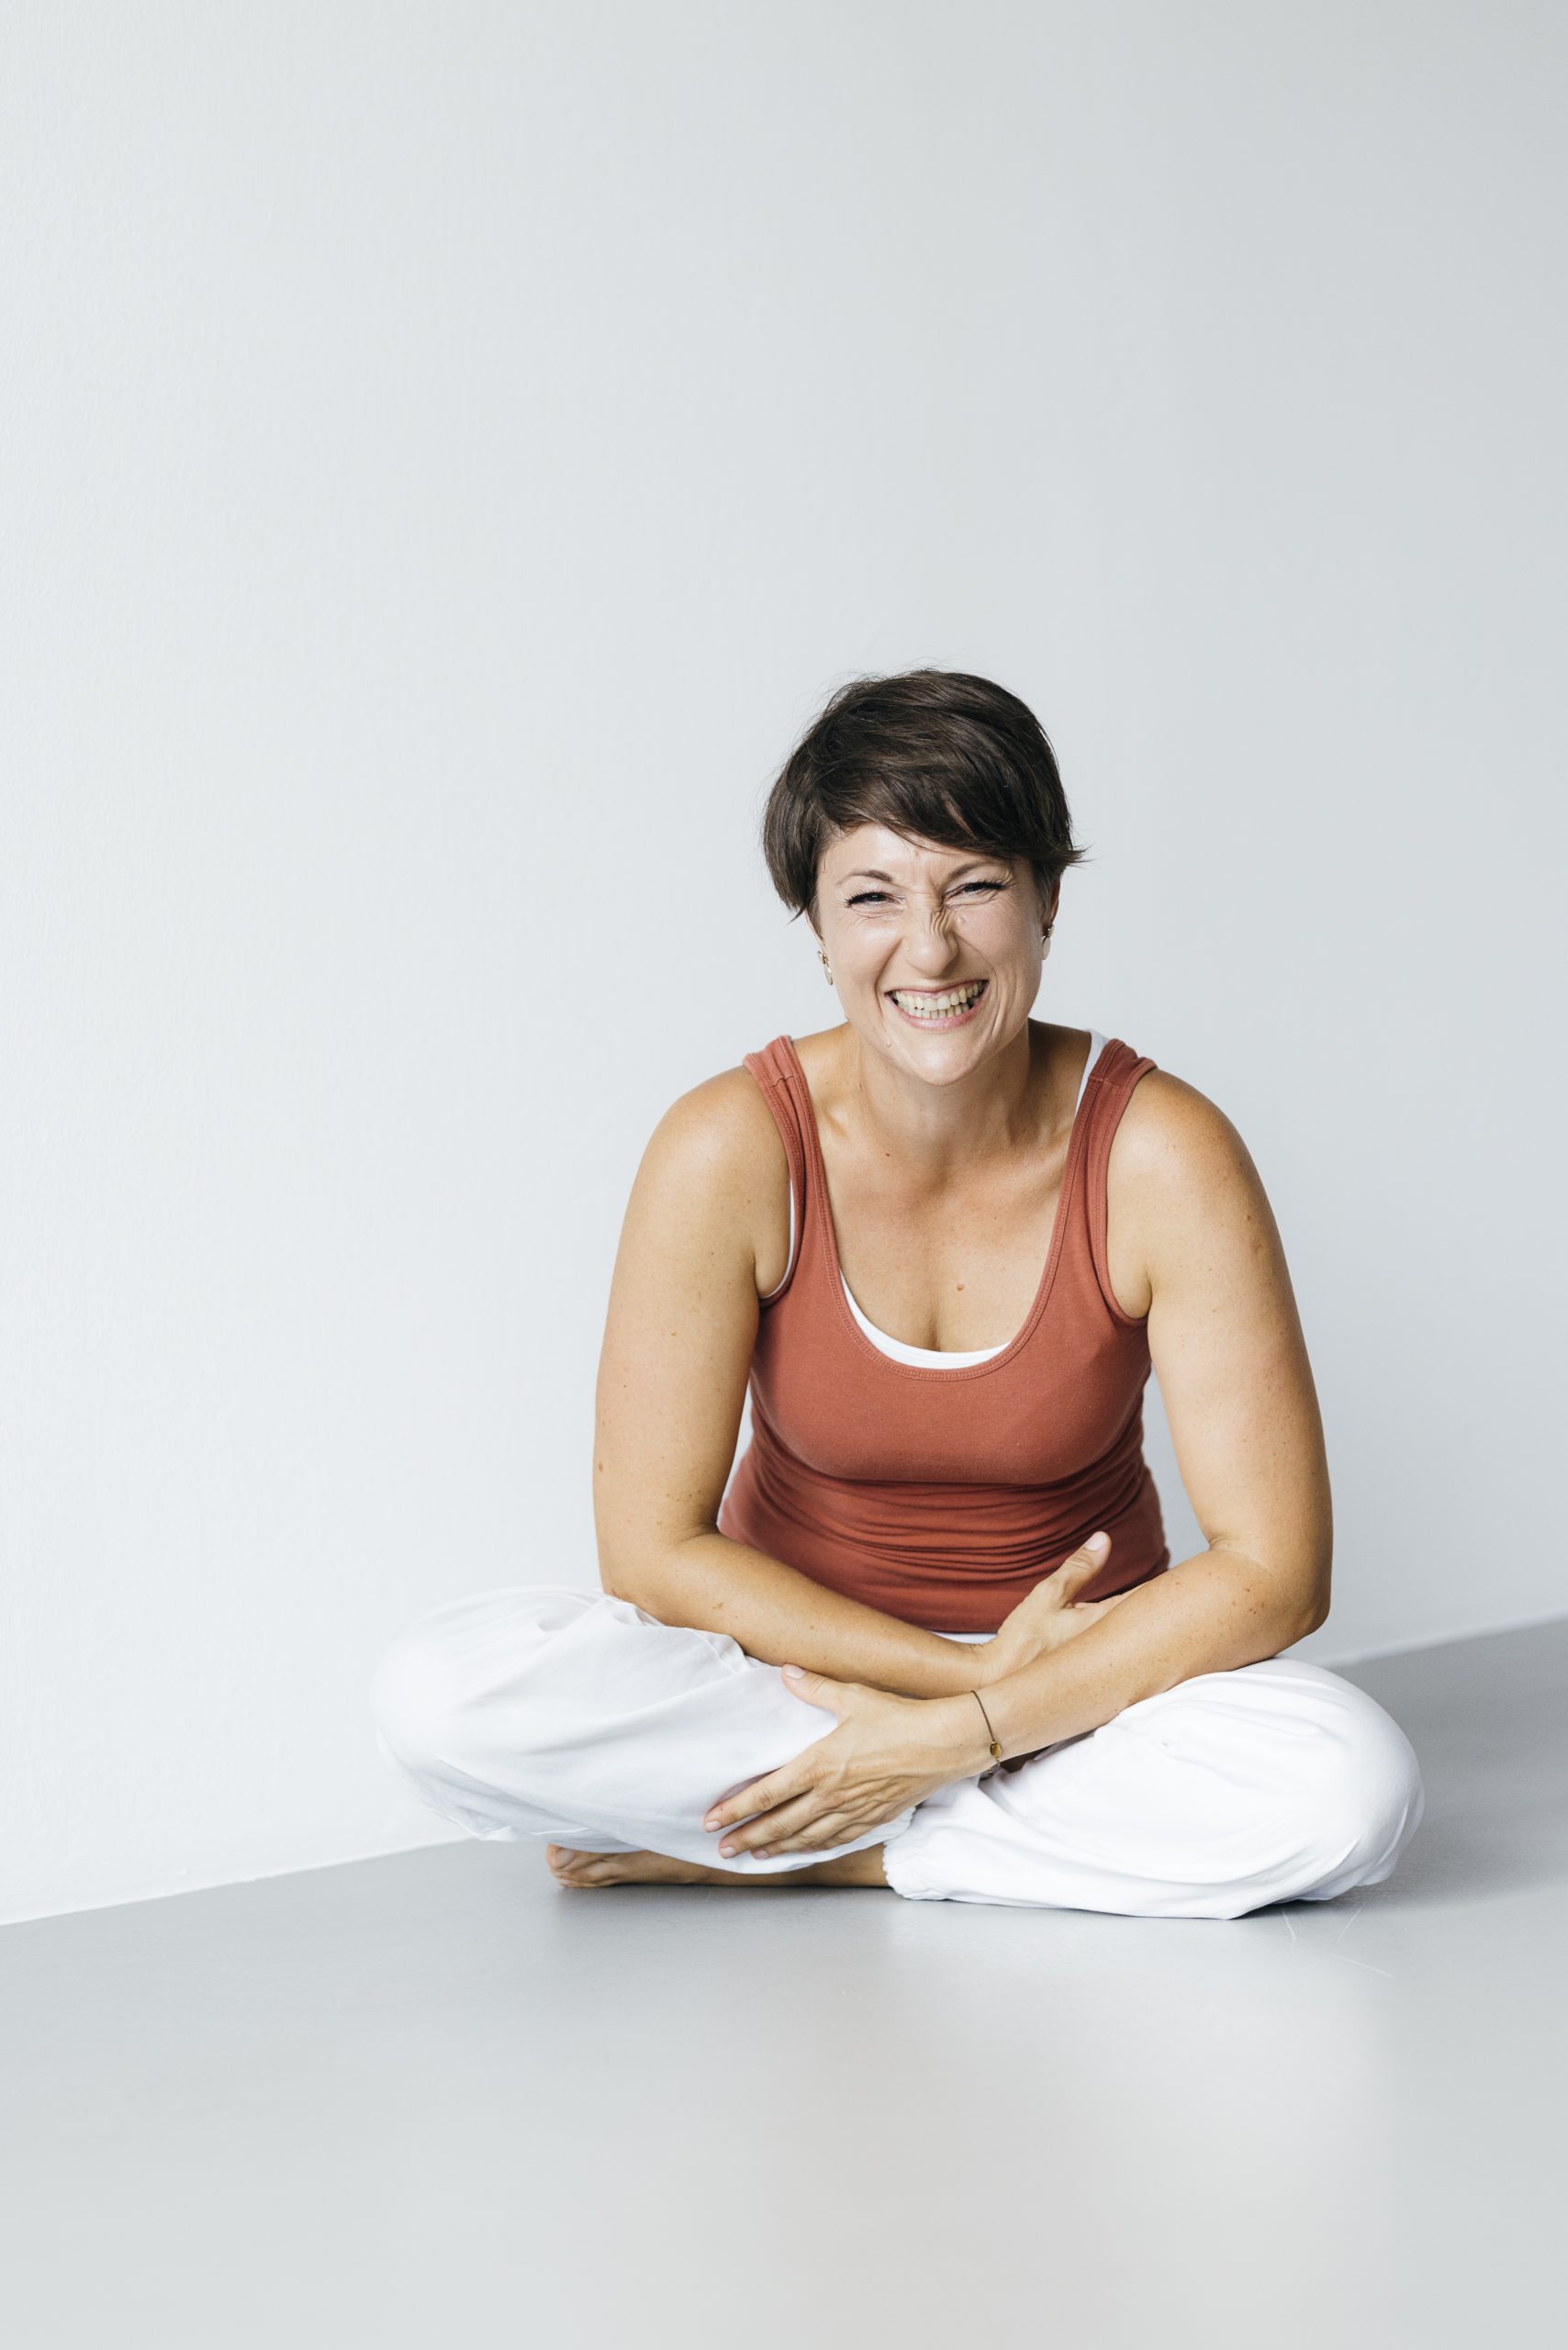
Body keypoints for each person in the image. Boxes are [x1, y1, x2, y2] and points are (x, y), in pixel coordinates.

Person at [369, 667, 1424, 1919]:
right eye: (873, 897)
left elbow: (1277, 1571)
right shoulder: (730, 1147)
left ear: (1046, 900)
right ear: (817, 928)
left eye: (974, 886)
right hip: (789, 1682)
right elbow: (651, 1553)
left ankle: (820, 1845)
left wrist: (983, 1725)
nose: (929, 949)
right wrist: (947, 1691)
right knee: (437, 1696)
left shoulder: (1162, 1153)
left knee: (1348, 1789)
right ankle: (932, 1815)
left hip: (1082, 1691)